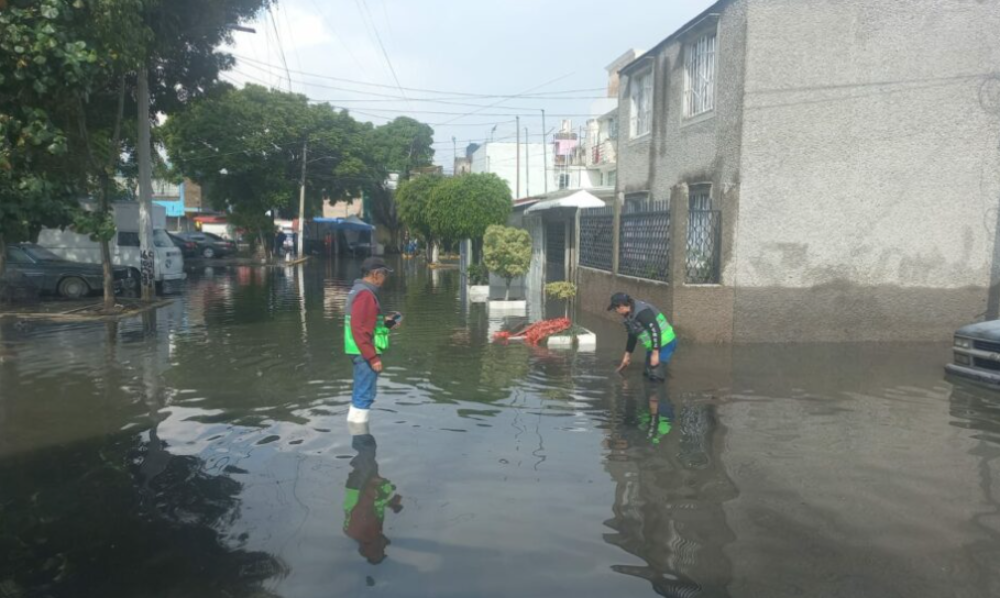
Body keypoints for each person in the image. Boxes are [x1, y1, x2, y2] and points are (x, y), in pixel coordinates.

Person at [345, 257, 401, 423]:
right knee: (365, 394)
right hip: (364, 352)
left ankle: (355, 428)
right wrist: (373, 357)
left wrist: (389, 322)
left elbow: (367, 323)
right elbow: (359, 328)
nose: (385, 279)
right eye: (385, 275)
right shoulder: (365, 295)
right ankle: (359, 433)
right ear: (376, 274)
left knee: (361, 391)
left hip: (358, 349)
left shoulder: (359, 291)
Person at [343, 424, 403, 565]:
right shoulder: (369, 534)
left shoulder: (363, 532)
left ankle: (357, 423)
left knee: (367, 451)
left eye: (381, 550)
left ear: (370, 549)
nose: (384, 546)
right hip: (362, 488)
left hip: (359, 488)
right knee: (369, 453)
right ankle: (359, 426)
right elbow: (373, 507)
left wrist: (373, 483)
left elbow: (363, 505)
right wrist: (390, 504)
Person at [609, 292, 677, 382]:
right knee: (647, 374)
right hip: (653, 345)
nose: (616, 312)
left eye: (615, 309)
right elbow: (632, 336)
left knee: (655, 377)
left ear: (621, 306)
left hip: (665, 343)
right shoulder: (629, 315)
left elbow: (655, 330)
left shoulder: (642, 312)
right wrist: (627, 356)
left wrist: (655, 353)